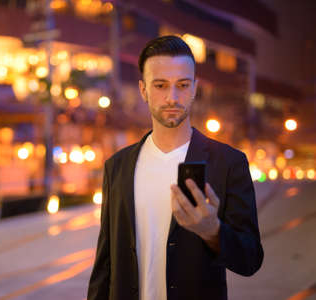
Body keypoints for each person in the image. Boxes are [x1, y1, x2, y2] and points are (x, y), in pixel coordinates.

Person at [87, 35, 263, 300]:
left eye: (182, 85)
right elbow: (105, 264)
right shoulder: (118, 166)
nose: (172, 97)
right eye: (160, 85)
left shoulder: (228, 163)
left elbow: (250, 260)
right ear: (143, 90)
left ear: (194, 88)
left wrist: (212, 230)